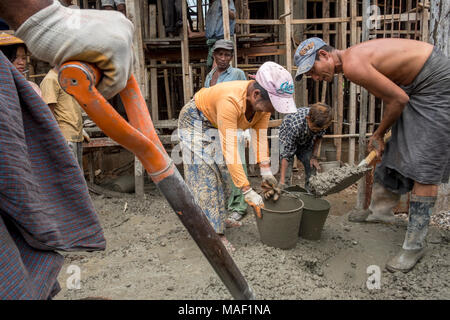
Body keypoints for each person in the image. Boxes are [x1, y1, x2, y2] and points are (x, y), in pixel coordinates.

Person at [0, 0, 133, 299]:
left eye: (23, 57)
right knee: (46, 187)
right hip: (58, 136)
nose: (21, 62)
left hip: (69, 134)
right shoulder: (47, 81)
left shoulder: (20, 85)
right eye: (15, 57)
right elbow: (48, 114)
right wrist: (46, 18)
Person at [294, 37, 450, 273]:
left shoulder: (352, 65)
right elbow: (398, 97)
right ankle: (380, 211)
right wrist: (384, 134)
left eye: (313, 71)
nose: (315, 78)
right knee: (398, 143)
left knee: (424, 163)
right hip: (416, 85)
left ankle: (414, 245)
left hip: (435, 83)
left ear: (325, 56)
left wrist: (377, 133)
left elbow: (398, 99)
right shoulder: (351, 61)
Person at [178, 61, 296, 252]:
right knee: (206, 175)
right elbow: (231, 150)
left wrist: (265, 170)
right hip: (195, 120)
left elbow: (260, 136)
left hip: (214, 123)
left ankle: (217, 217)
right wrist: (247, 190)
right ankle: (214, 235)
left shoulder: (262, 107)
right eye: (273, 105)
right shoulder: (230, 101)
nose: (273, 111)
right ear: (256, 94)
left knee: (225, 173)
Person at [204, 39, 247, 224]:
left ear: (231, 57)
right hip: (215, 127)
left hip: (234, 126)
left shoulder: (237, 73)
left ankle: (239, 207)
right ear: (214, 55)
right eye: (220, 54)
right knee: (221, 168)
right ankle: (227, 203)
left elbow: (246, 99)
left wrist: (244, 129)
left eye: (227, 55)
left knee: (236, 166)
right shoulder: (210, 76)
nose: (223, 58)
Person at [279, 102, 332, 191]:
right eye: (314, 129)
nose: (316, 131)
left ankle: (310, 194)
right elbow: (286, 155)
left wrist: (314, 157)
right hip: (287, 138)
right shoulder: (295, 125)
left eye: (319, 130)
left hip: (305, 141)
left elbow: (318, 138)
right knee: (286, 173)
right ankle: (286, 194)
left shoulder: (322, 122)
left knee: (312, 166)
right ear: (307, 119)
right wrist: (282, 180)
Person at [40, 66, 85, 170]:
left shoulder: (66, 79)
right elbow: (48, 115)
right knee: (71, 176)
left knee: (78, 177)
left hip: (75, 135)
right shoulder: (50, 79)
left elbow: (70, 108)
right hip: (64, 138)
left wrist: (81, 132)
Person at [205, 0, 236, 69]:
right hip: (212, 39)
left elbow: (233, 15)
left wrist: (225, 7)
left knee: (217, 66)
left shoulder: (226, 1)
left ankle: (218, 79)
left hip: (222, 38)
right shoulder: (213, 4)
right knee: (210, 64)